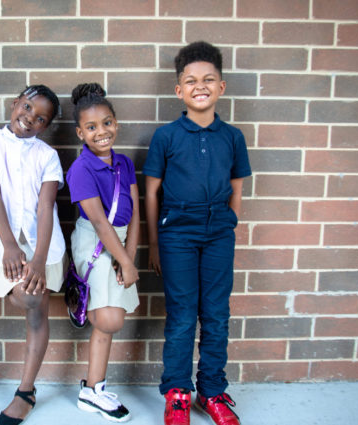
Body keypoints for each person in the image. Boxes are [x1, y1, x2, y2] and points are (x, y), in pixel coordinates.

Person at [142, 41, 251, 425]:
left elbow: (237, 186)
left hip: (219, 232)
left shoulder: (233, 136)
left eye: (208, 79)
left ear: (221, 87)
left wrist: (229, 222)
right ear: (179, 90)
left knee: (217, 314)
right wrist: (155, 242)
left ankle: (212, 391)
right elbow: (152, 190)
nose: (199, 86)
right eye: (190, 80)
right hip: (177, 235)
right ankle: (177, 393)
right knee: (183, 315)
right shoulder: (167, 136)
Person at [0, 85, 65, 425]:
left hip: (44, 245)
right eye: (26, 107)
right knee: (23, 298)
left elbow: (46, 206)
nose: (30, 118)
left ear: (46, 126)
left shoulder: (47, 155)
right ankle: (26, 389)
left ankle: (26, 391)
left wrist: (38, 259)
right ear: (14, 103)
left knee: (37, 312)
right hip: (4, 242)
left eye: (41, 118)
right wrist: (10, 246)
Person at [65, 83, 140, 423]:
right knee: (109, 319)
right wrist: (122, 260)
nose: (101, 132)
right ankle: (93, 387)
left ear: (116, 123)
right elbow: (97, 221)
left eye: (107, 123)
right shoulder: (80, 169)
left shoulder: (124, 163)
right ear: (80, 132)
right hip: (95, 241)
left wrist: (130, 257)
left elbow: (136, 213)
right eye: (92, 127)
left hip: (122, 240)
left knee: (106, 321)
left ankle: (93, 390)